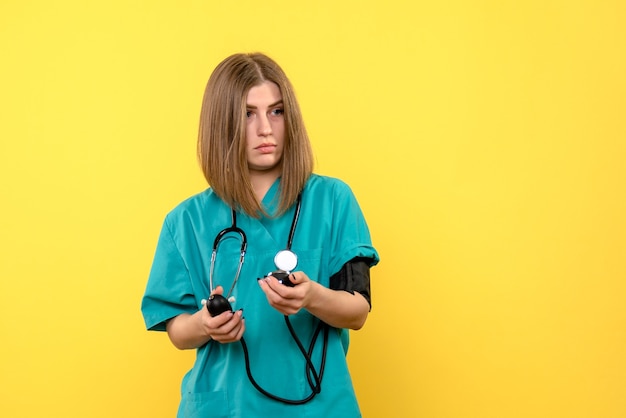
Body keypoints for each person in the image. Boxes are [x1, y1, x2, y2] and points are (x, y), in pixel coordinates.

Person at [141, 52, 379, 418]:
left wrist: (312, 296)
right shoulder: (186, 221)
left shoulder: (333, 200)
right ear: (221, 124)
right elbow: (177, 330)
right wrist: (206, 324)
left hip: (320, 407)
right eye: (247, 113)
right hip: (225, 407)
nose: (265, 128)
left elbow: (357, 310)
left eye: (276, 111)